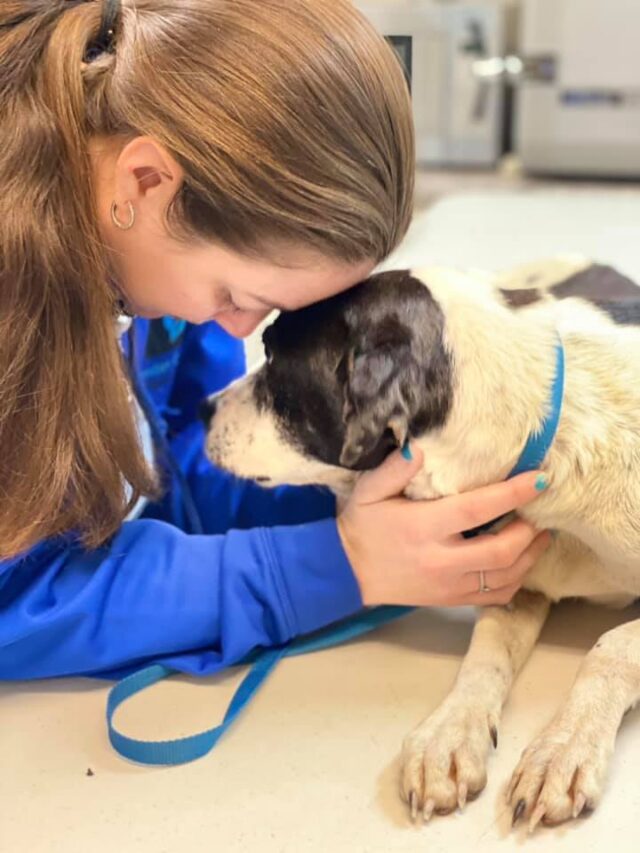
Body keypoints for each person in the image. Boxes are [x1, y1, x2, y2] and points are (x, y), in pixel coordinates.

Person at [0, 0, 550, 680]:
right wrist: (330, 569)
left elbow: (182, 472)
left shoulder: (149, 255)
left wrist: (363, 504)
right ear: (144, 180)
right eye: (237, 296)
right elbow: (16, 601)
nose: (238, 330)